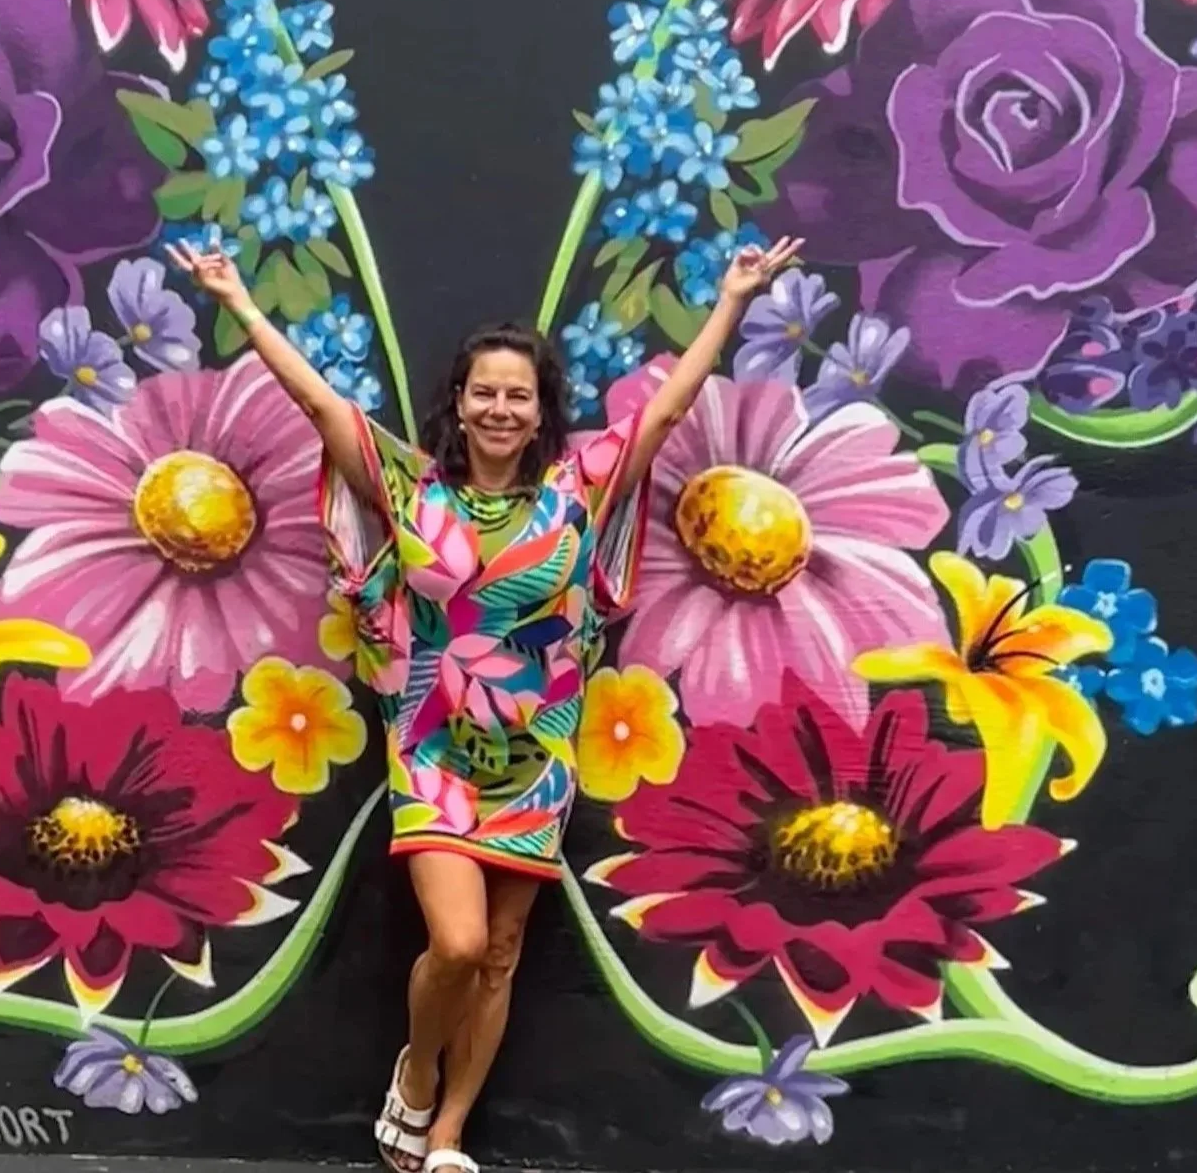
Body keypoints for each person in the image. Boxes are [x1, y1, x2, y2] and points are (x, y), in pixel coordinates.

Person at [167, 234, 803, 1173]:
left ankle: (449, 1138)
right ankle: (417, 1075)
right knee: (457, 944)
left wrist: (735, 300)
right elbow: (317, 403)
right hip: (432, 748)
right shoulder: (411, 490)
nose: (501, 408)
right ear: (458, 405)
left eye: (520, 393)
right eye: (485, 392)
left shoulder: (575, 493)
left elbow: (665, 416)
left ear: (541, 408)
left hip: (538, 753)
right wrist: (237, 301)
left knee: (500, 955)